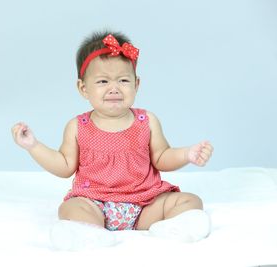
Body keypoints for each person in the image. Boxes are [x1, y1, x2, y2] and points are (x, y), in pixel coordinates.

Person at [11, 30, 214, 250]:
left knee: (190, 201)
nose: (114, 88)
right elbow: (64, 165)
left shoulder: (147, 121)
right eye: (103, 81)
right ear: (83, 88)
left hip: (145, 204)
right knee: (70, 208)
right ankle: (90, 234)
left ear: (136, 84)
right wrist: (33, 146)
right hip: (95, 204)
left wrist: (187, 154)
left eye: (123, 80)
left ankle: (174, 229)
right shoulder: (78, 127)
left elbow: (163, 157)